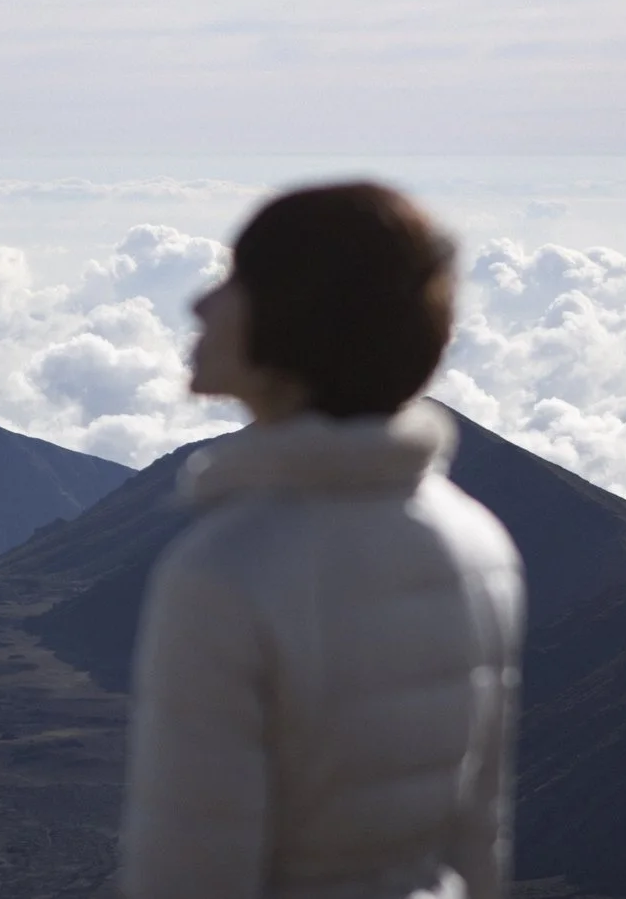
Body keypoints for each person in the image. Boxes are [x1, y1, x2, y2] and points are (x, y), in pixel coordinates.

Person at [118, 182, 526, 899]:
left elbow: (191, 874)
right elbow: (478, 837)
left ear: (296, 318)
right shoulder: (480, 543)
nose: (200, 304)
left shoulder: (224, 571)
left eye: (238, 278)